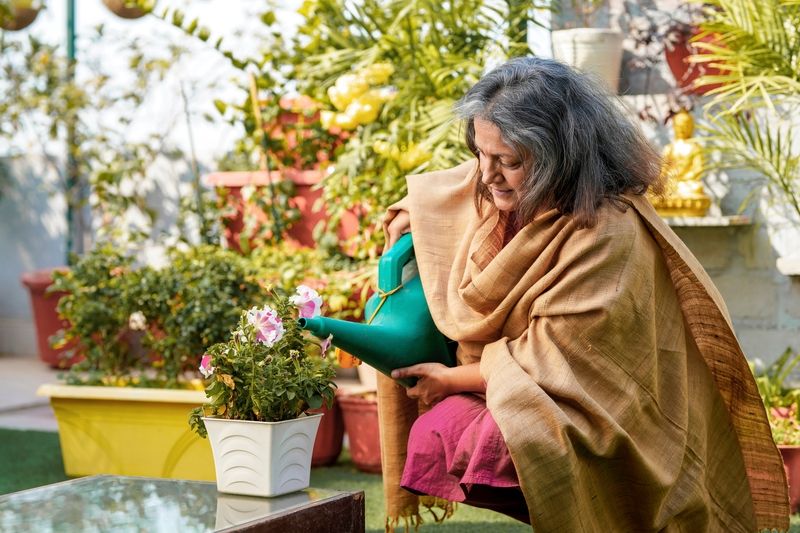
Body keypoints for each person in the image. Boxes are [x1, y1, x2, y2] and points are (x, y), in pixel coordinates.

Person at [378, 57, 789, 532]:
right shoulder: (510, 182)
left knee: (501, 440)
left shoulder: (605, 228)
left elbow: (552, 362)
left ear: (559, 159)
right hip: (541, 376)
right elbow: (454, 185)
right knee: (443, 429)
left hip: (618, 409)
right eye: (480, 154)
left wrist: (449, 380)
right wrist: (409, 211)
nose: (487, 177)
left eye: (508, 162)